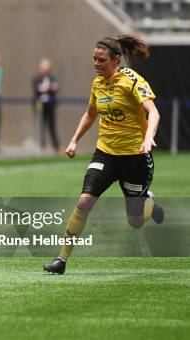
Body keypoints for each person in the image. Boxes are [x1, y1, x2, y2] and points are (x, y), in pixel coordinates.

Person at [43, 35, 164, 275]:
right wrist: (74, 140)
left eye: (101, 60)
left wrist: (148, 137)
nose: (96, 64)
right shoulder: (98, 83)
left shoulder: (132, 81)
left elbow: (153, 111)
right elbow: (90, 115)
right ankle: (61, 259)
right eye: (94, 59)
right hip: (106, 154)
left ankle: (148, 200)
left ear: (116, 59)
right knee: (85, 200)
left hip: (134, 157)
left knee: (135, 222)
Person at [32, 58, 61, 153]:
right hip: (40, 107)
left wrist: (47, 88)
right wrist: (49, 88)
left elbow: (56, 87)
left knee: (52, 126)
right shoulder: (36, 78)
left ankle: (56, 146)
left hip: (50, 106)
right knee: (41, 126)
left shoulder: (52, 78)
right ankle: (41, 146)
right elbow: (38, 89)